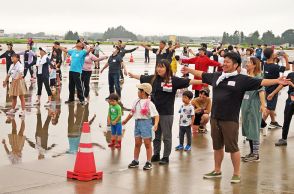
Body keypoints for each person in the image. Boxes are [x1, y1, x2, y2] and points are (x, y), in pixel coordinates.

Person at [181, 52, 291, 183]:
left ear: (236, 65)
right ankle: (217, 170)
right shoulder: (217, 76)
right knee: (217, 147)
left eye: (228, 62)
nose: (224, 64)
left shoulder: (241, 79)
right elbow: (201, 74)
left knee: (233, 148)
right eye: (224, 61)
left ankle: (236, 173)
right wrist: (189, 69)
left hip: (230, 120)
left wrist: (277, 80)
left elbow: (261, 82)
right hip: (215, 118)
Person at [128, 59, 202, 165]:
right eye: (158, 66)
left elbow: (189, 81)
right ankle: (156, 154)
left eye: (162, 67)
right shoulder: (153, 79)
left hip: (167, 113)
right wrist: (132, 75)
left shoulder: (174, 80)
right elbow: (141, 77)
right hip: (154, 113)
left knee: (166, 136)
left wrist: (206, 81)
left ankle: (166, 156)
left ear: (167, 68)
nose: (159, 69)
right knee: (156, 136)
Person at [122, 83, 159, 170]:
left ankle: (149, 162)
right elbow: (132, 112)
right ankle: (135, 160)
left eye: (139, 90)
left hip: (146, 124)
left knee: (147, 144)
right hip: (137, 123)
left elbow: (156, 115)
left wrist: (156, 124)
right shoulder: (136, 101)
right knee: (137, 143)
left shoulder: (150, 103)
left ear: (143, 92)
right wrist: (125, 121)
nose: (138, 92)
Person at [241, 57, 266, 162]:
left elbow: (261, 91)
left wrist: (263, 105)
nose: (247, 64)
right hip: (246, 105)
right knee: (248, 129)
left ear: (255, 65)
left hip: (254, 105)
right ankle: (252, 153)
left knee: (254, 129)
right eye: (246, 62)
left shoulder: (258, 77)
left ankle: (256, 155)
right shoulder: (247, 77)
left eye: (249, 63)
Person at [261, 48, 290, 130]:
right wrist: (285, 58)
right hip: (273, 89)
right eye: (273, 53)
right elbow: (287, 68)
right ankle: (261, 123)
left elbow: (270, 60)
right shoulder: (275, 66)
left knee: (271, 106)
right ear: (271, 55)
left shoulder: (264, 64)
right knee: (270, 108)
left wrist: (274, 57)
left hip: (266, 87)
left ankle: (273, 122)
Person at [54, 40, 89, 105]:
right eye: (77, 42)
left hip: (77, 71)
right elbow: (65, 50)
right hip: (71, 71)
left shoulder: (83, 51)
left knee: (79, 86)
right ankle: (71, 99)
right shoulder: (73, 51)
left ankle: (82, 99)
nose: (77, 43)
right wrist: (58, 46)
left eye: (79, 43)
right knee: (71, 85)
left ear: (82, 45)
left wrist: (84, 44)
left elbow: (88, 51)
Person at [267, 71, 294, 146]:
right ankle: (283, 139)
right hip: (290, 101)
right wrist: (273, 93)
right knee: (287, 119)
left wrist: (292, 84)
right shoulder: (291, 75)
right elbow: (282, 85)